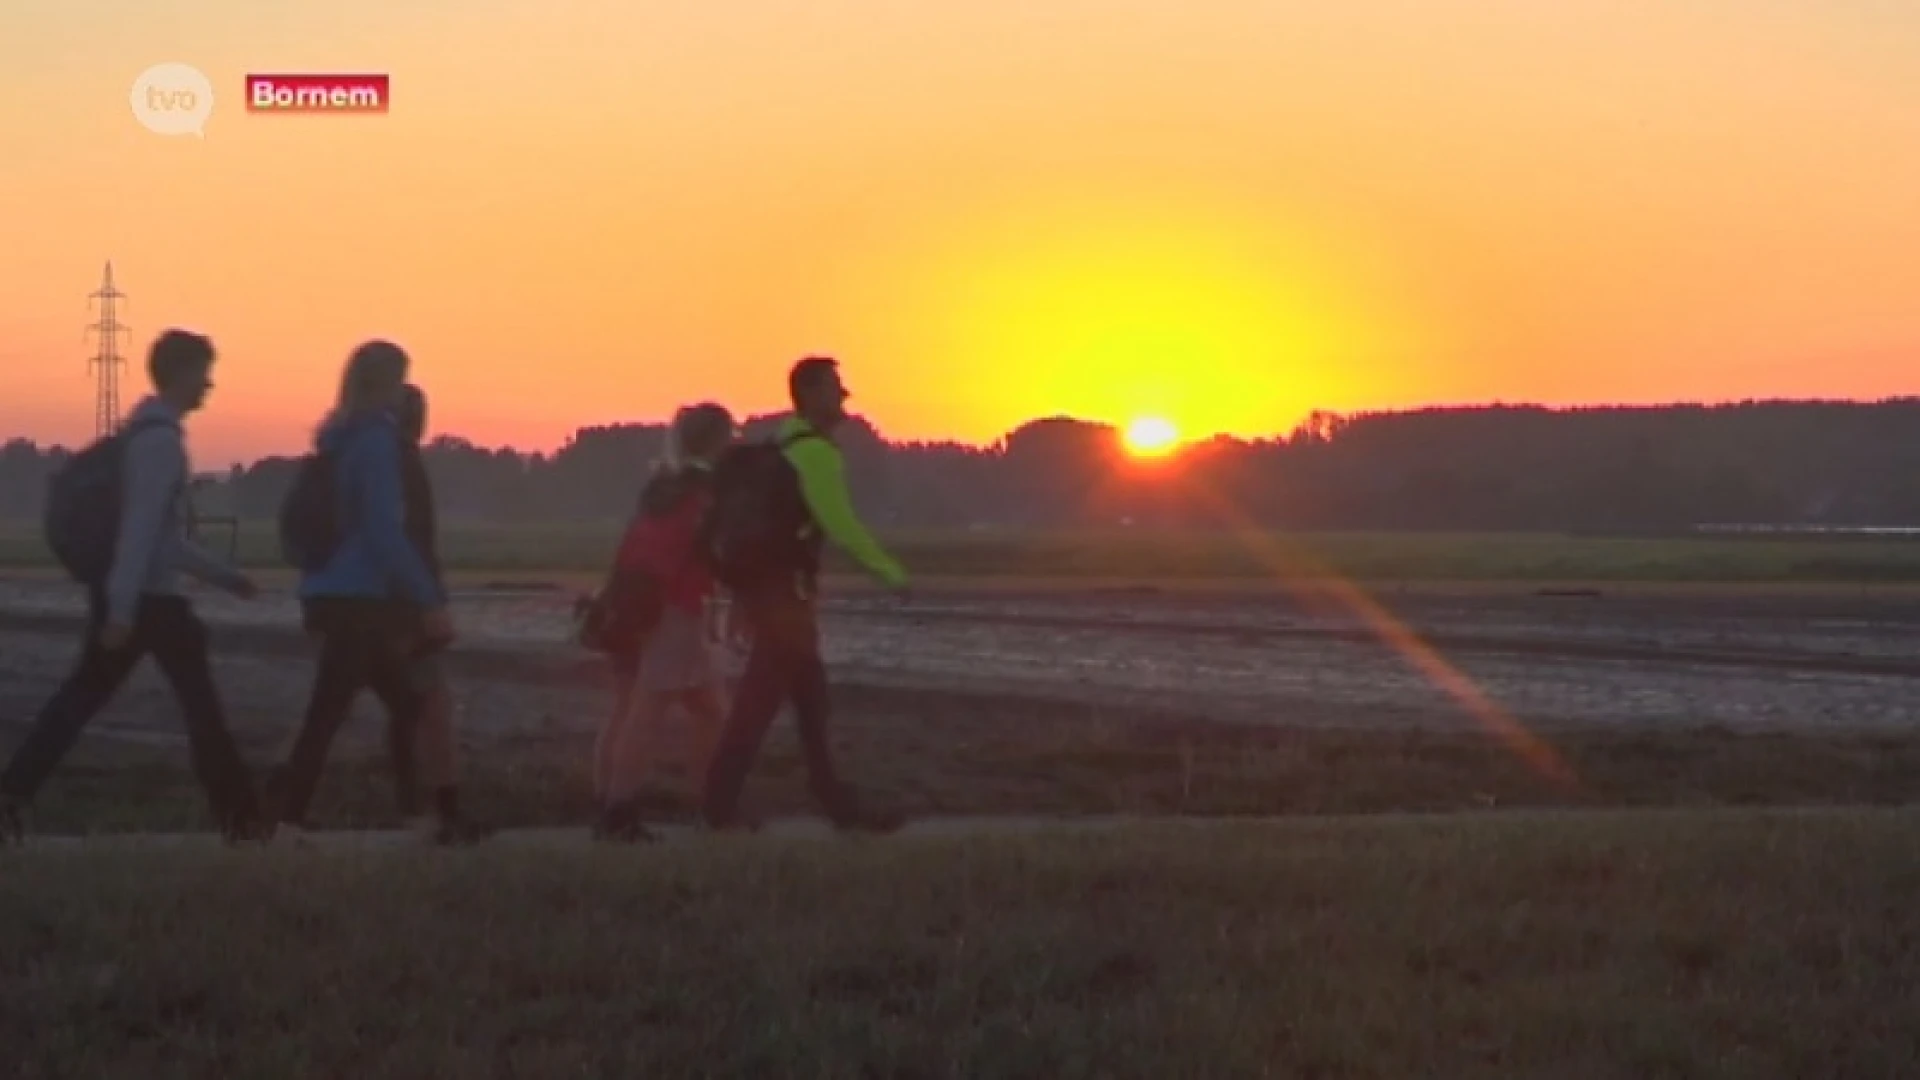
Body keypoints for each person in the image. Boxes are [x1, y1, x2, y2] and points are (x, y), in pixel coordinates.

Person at [0, 330, 264, 845]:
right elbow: (142, 533)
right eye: (203, 372)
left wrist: (227, 579)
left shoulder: (143, 438)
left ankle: (12, 795)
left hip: (139, 599)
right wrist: (122, 610)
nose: (209, 385)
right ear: (182, 375)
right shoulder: (159, 445)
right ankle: (242, 819)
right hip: (149, 604)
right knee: (200, 710)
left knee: (80, 702)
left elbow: (162, 539)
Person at [700, 355, 909, 833]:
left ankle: (839, 808)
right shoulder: (816, 453)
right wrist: (890, 573)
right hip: (784, 603)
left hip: (766, 593)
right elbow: (840, 524)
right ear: (811, 394)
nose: (845, 395)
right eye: (836, 387)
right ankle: (718, 810)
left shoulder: (781, 443)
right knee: (758, 707)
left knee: (812, 705)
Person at [262, 340, 452, 843]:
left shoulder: (336, 438)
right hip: (359, 596)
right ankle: (287, 820)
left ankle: (414, 816)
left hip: (327, 589)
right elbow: (383, 530)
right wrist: (427, 596)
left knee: (396, 704)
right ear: (388, 385)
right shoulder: (376, 443)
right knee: (333, 713)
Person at [592, 403, 738, 842]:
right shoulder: (705, 492)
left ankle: (609, 801)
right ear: (719, 441)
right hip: (675, 610)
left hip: (631, 606)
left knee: (658, 707)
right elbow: (714, 555)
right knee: (651, 710)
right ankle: (623, 810)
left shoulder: (661, 487)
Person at [388, 383, 488, 844]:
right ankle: (441, 811)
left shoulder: (372, 460)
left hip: (378, 602)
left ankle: (418, 807)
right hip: (406, 605)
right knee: (432, 705)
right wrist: (431, 600)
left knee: (401, 706)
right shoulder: (404, 464)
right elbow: (413, 540)